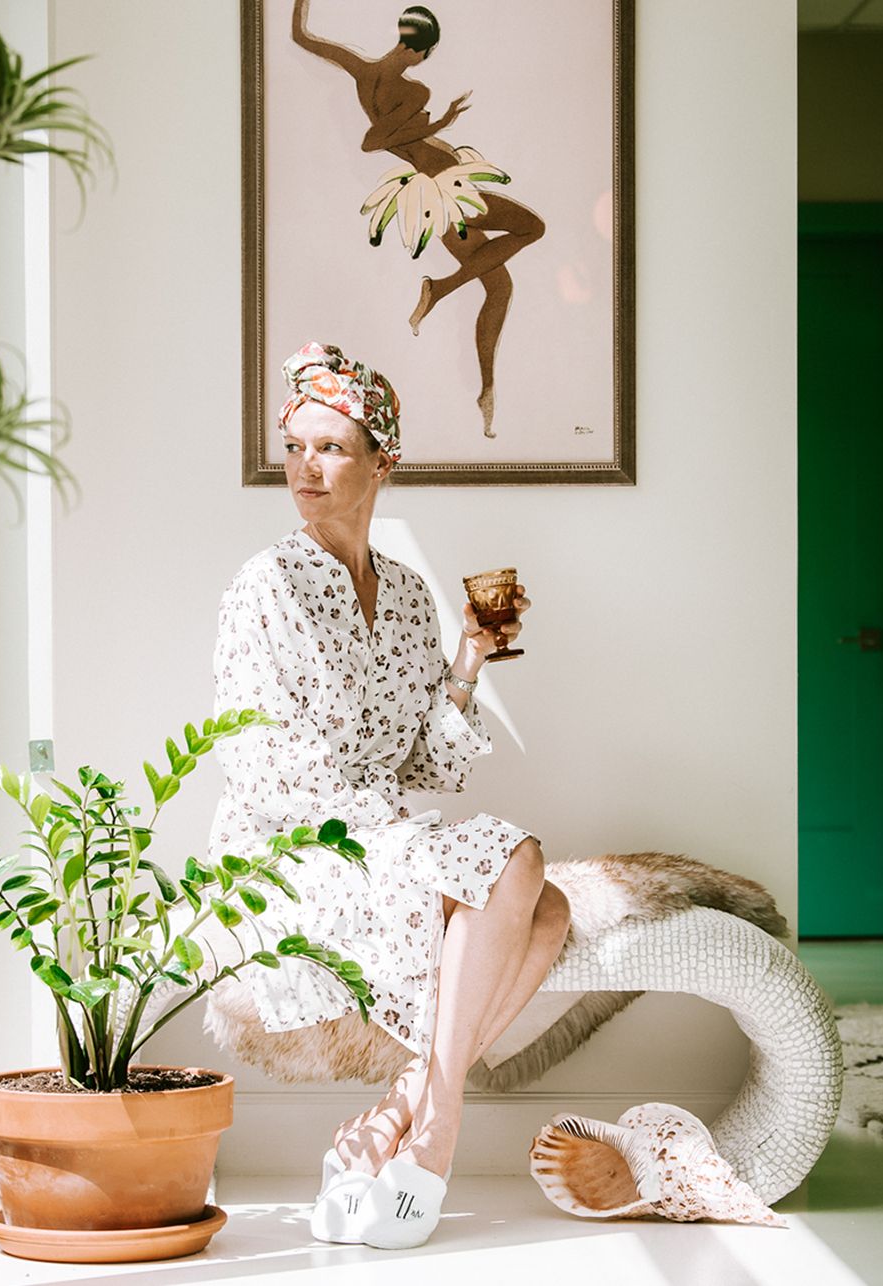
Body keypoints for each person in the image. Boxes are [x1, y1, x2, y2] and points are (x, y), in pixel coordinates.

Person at [210, 341, 570, 1249]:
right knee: (519, 859)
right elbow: (257, 766)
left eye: (331, 447)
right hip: (290, 847)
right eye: (295, 447)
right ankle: (439, 1131)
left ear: (383, 460)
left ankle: (395, 1115)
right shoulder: (266, 587)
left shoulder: (409, 598)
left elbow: (429, 768)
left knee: (552, 908)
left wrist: (470, 661)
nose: (305, 468)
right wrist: (395, 832)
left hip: (384, 833)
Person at [291, 2, 546, 438]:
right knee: (533, 227)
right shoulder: (416, 93)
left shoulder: (361, 70)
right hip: (444, 185)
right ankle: (441, 287)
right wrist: (441, 122)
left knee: (500, 286)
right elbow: (374, 141)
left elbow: (302, 37)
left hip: (437, 188)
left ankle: (487, 389)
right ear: (420, 51)